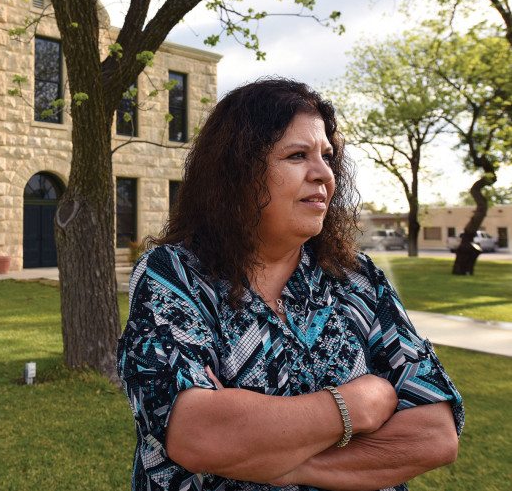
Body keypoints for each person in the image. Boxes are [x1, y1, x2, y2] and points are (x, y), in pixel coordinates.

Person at [116, 79, 464, 491]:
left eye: (327, 157)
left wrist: (286, 466)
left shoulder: (356, 280)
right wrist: (356, 405)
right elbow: (196, 432)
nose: (323, 174)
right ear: (238, 173)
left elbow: (435, 433)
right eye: (298, 155)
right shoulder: (176, 276)